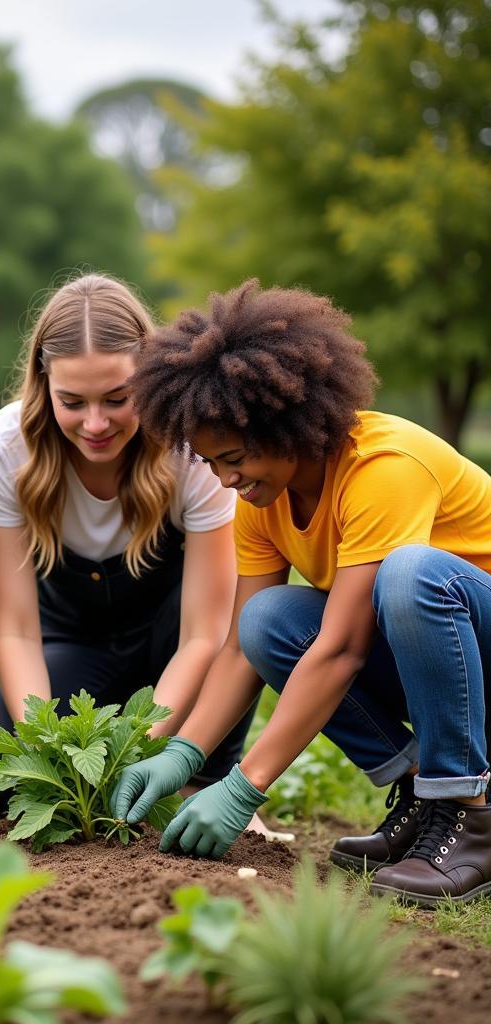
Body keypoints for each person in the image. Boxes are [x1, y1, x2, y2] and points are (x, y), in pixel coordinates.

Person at [116, 278, 491, 906]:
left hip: (474, 642)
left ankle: (470, 815)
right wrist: (183, 753)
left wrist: (244, 786)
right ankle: (427, 796)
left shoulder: (384, 468)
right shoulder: (262, 499)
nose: (227, 479)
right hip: (446, 669)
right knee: (269, 619)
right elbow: (242, 649)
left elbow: (342, 647)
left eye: (234, 457)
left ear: (285, 427)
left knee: (410, 575)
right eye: (211, 463)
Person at [0, 273, 262, 822]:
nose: (95, 424)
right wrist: (43, 744)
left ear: (147, 379)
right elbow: (17, 630)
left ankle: (207, 779)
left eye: (118, 399)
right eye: (71, 402)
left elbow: (205, 634)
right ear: (43, 383)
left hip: (176, 641)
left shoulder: (193, 445)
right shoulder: (0, 446)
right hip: (72, 642)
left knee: (247, 617)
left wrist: (142, 744)